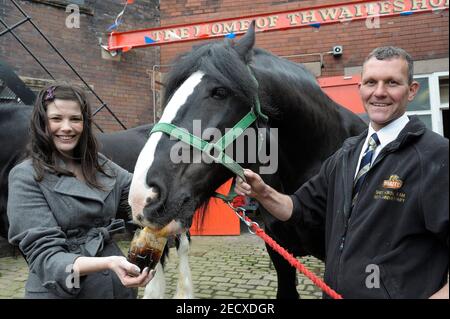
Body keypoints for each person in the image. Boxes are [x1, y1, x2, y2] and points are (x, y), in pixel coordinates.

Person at [235, 46, 449, 299]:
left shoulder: (437, 157)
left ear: (412, 90)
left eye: (392, 83)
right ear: (361, 88)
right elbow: (299, 208)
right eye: (371, 82)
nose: (379, 92)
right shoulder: (347, 154)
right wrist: (263, 192)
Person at [7, 83, 153, 298]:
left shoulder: (98, 164)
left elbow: (140, 193)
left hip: (116, 288)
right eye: (56, 119)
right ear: (42, 123)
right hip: (63, 290)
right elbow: (47, 259)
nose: (67, 127)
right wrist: (109, 263)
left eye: (75, 119)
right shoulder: (25, 176)